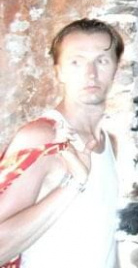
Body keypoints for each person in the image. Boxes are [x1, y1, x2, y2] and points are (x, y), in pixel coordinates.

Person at [0, 18, 124, 268]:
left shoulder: (108, 141)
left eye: (101, 60)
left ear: (115, 69)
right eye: (76, 62)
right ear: (59, 71)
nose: (91, 73)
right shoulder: (43, 138)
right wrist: (73, 185)